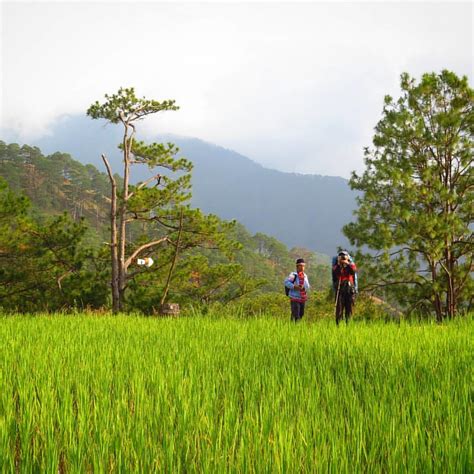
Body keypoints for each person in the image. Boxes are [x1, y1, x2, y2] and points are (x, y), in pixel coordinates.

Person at [332, 251, 357, 325]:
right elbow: (335, 274)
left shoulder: (351, 265)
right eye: (341, 257)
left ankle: (348, 324)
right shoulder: (336, 266)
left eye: (344, 257)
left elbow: (353, 272)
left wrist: (347, 263)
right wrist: (340, 264)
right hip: (340, 289)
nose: (343, 258)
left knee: (349, 309)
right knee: (339, 308)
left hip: (349, 289)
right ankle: (338, 324)